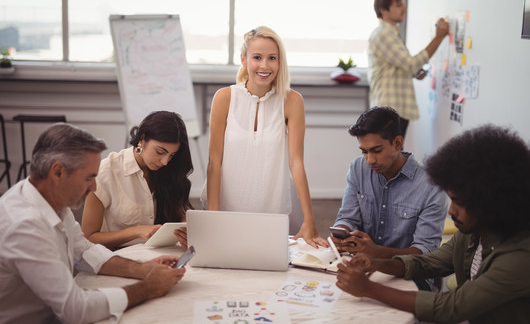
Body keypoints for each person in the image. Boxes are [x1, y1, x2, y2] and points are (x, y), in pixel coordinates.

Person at [336, 124, 530, 324]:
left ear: (490, 201)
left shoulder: (521, 258)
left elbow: (452, 308)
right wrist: (376, 263)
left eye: (460, 202)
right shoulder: (473, 233)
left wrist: (369, 289)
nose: (451, 211)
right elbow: (429, 262)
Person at [0, 123, 186, 323]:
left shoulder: (50, 199)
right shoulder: (25, 226)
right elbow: (75, 309)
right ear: (58, 172)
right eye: (89, 178)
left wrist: (143, 268)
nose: (94, 187)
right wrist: (148, 287)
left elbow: (85, 251)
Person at [205, 26, 326, 248]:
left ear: (280, 62)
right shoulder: (224, 98)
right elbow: (215, 161)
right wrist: (214, 216)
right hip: (227, 205)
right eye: (257, 57)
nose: (264, 65)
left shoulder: (292, 101)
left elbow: (296, 163)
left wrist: (310, 221)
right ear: (244, 59)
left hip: (272, 209)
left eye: (272, 58)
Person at [331, 106, 447, 290]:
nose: (369, 160)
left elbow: (425, 254)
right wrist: (341, 232)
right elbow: (348, 217)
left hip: (410, 278)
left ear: (398, 143)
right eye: (364, 151)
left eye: (376, 150)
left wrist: (377, 253)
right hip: (362, 267)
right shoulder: (357, 168)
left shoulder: (431, 186)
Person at [82, 111, 193, 249]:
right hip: (118, 259)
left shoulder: (169, 171)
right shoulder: (106, 172)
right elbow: (88, 237)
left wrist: (187, 232)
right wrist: (136, 231)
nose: (165, 161)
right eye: (160, 152)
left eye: (172, 155)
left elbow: (182, 214)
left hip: (161, 256)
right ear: (142, 138)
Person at [368, 0, 449, 138]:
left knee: (393, 155)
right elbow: (411, 64)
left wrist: (414, 72)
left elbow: (401, 66)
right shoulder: (384, 34)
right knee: (390, 157)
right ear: (383, 10)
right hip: (390, 109)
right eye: (398, 5)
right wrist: (439, 38)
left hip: (393, 108)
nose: (404, 9)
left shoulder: (391, 33)